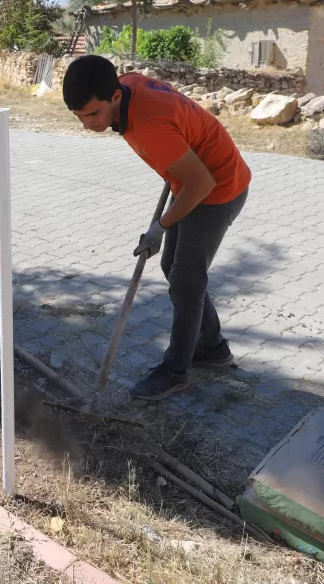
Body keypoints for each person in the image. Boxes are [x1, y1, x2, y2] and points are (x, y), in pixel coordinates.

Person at [62, 55, 251, 401]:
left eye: (92, 114)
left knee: (185, 281)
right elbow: (179, 116)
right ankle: (213, 347)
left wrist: (159, 228)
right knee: (173, 269)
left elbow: (202, 184)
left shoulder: (150, 129)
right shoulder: (129, 83)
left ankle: (176, 372)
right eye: (79, 116)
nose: (87, 125)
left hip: (217, 190)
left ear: (115, 97)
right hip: (193, 180)